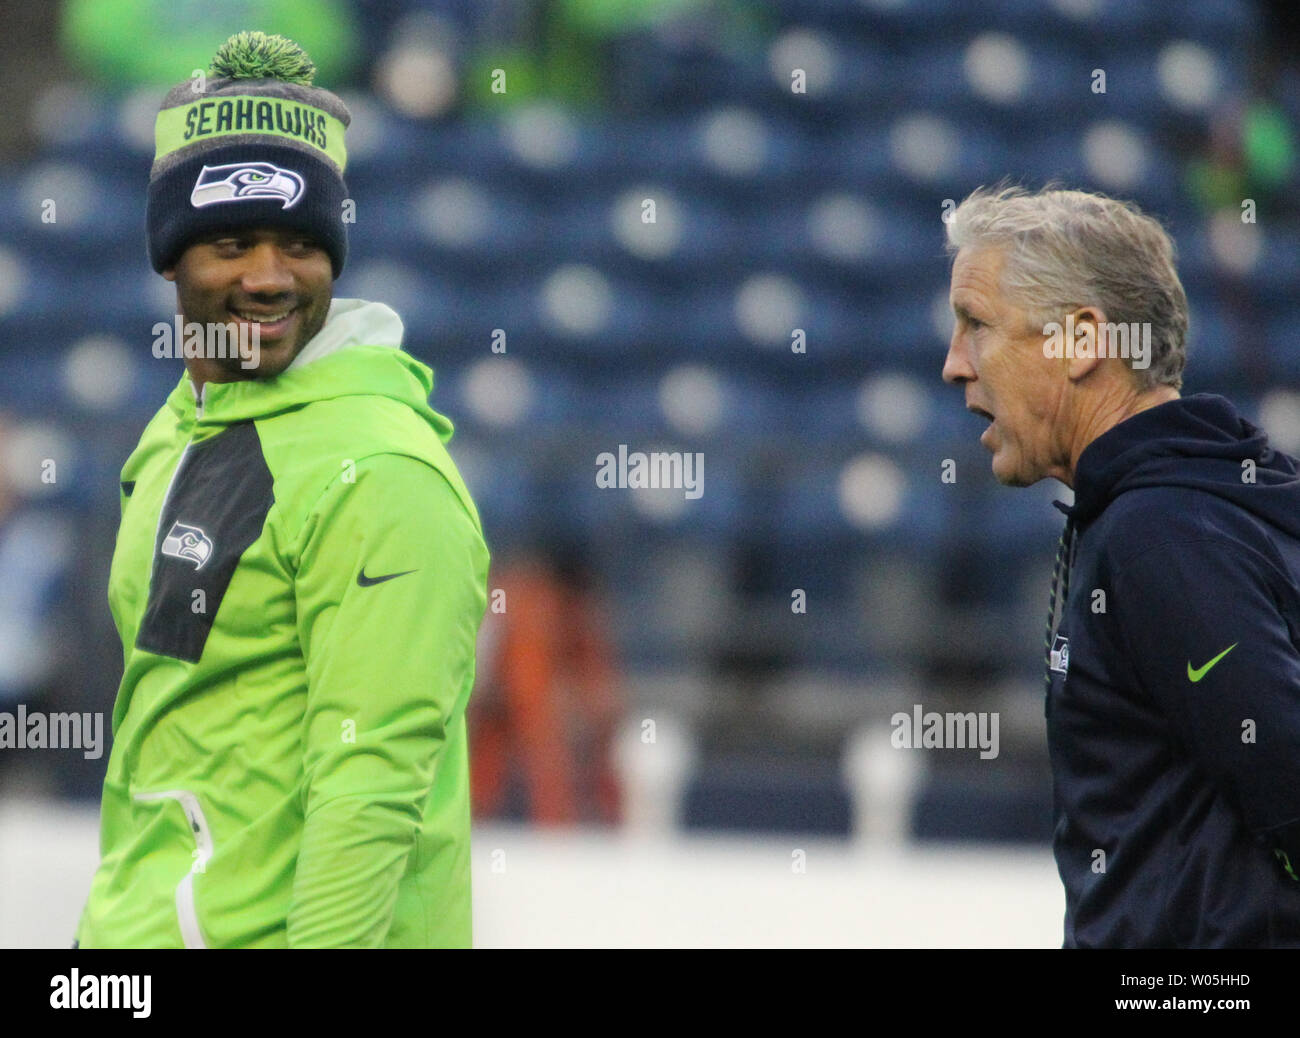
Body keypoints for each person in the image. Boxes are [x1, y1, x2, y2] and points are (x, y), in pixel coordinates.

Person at [75, 32, 490, 948]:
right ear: (171, 256)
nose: (268, 277)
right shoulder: (183, 426)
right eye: (231, 242)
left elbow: (371, 792)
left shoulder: (382, 475)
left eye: (301, 244)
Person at [941, 184, 1300, 948]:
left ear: (1081, 341)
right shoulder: (1198, 501)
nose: (953, 365)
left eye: (976, 325)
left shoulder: (1159, 533)